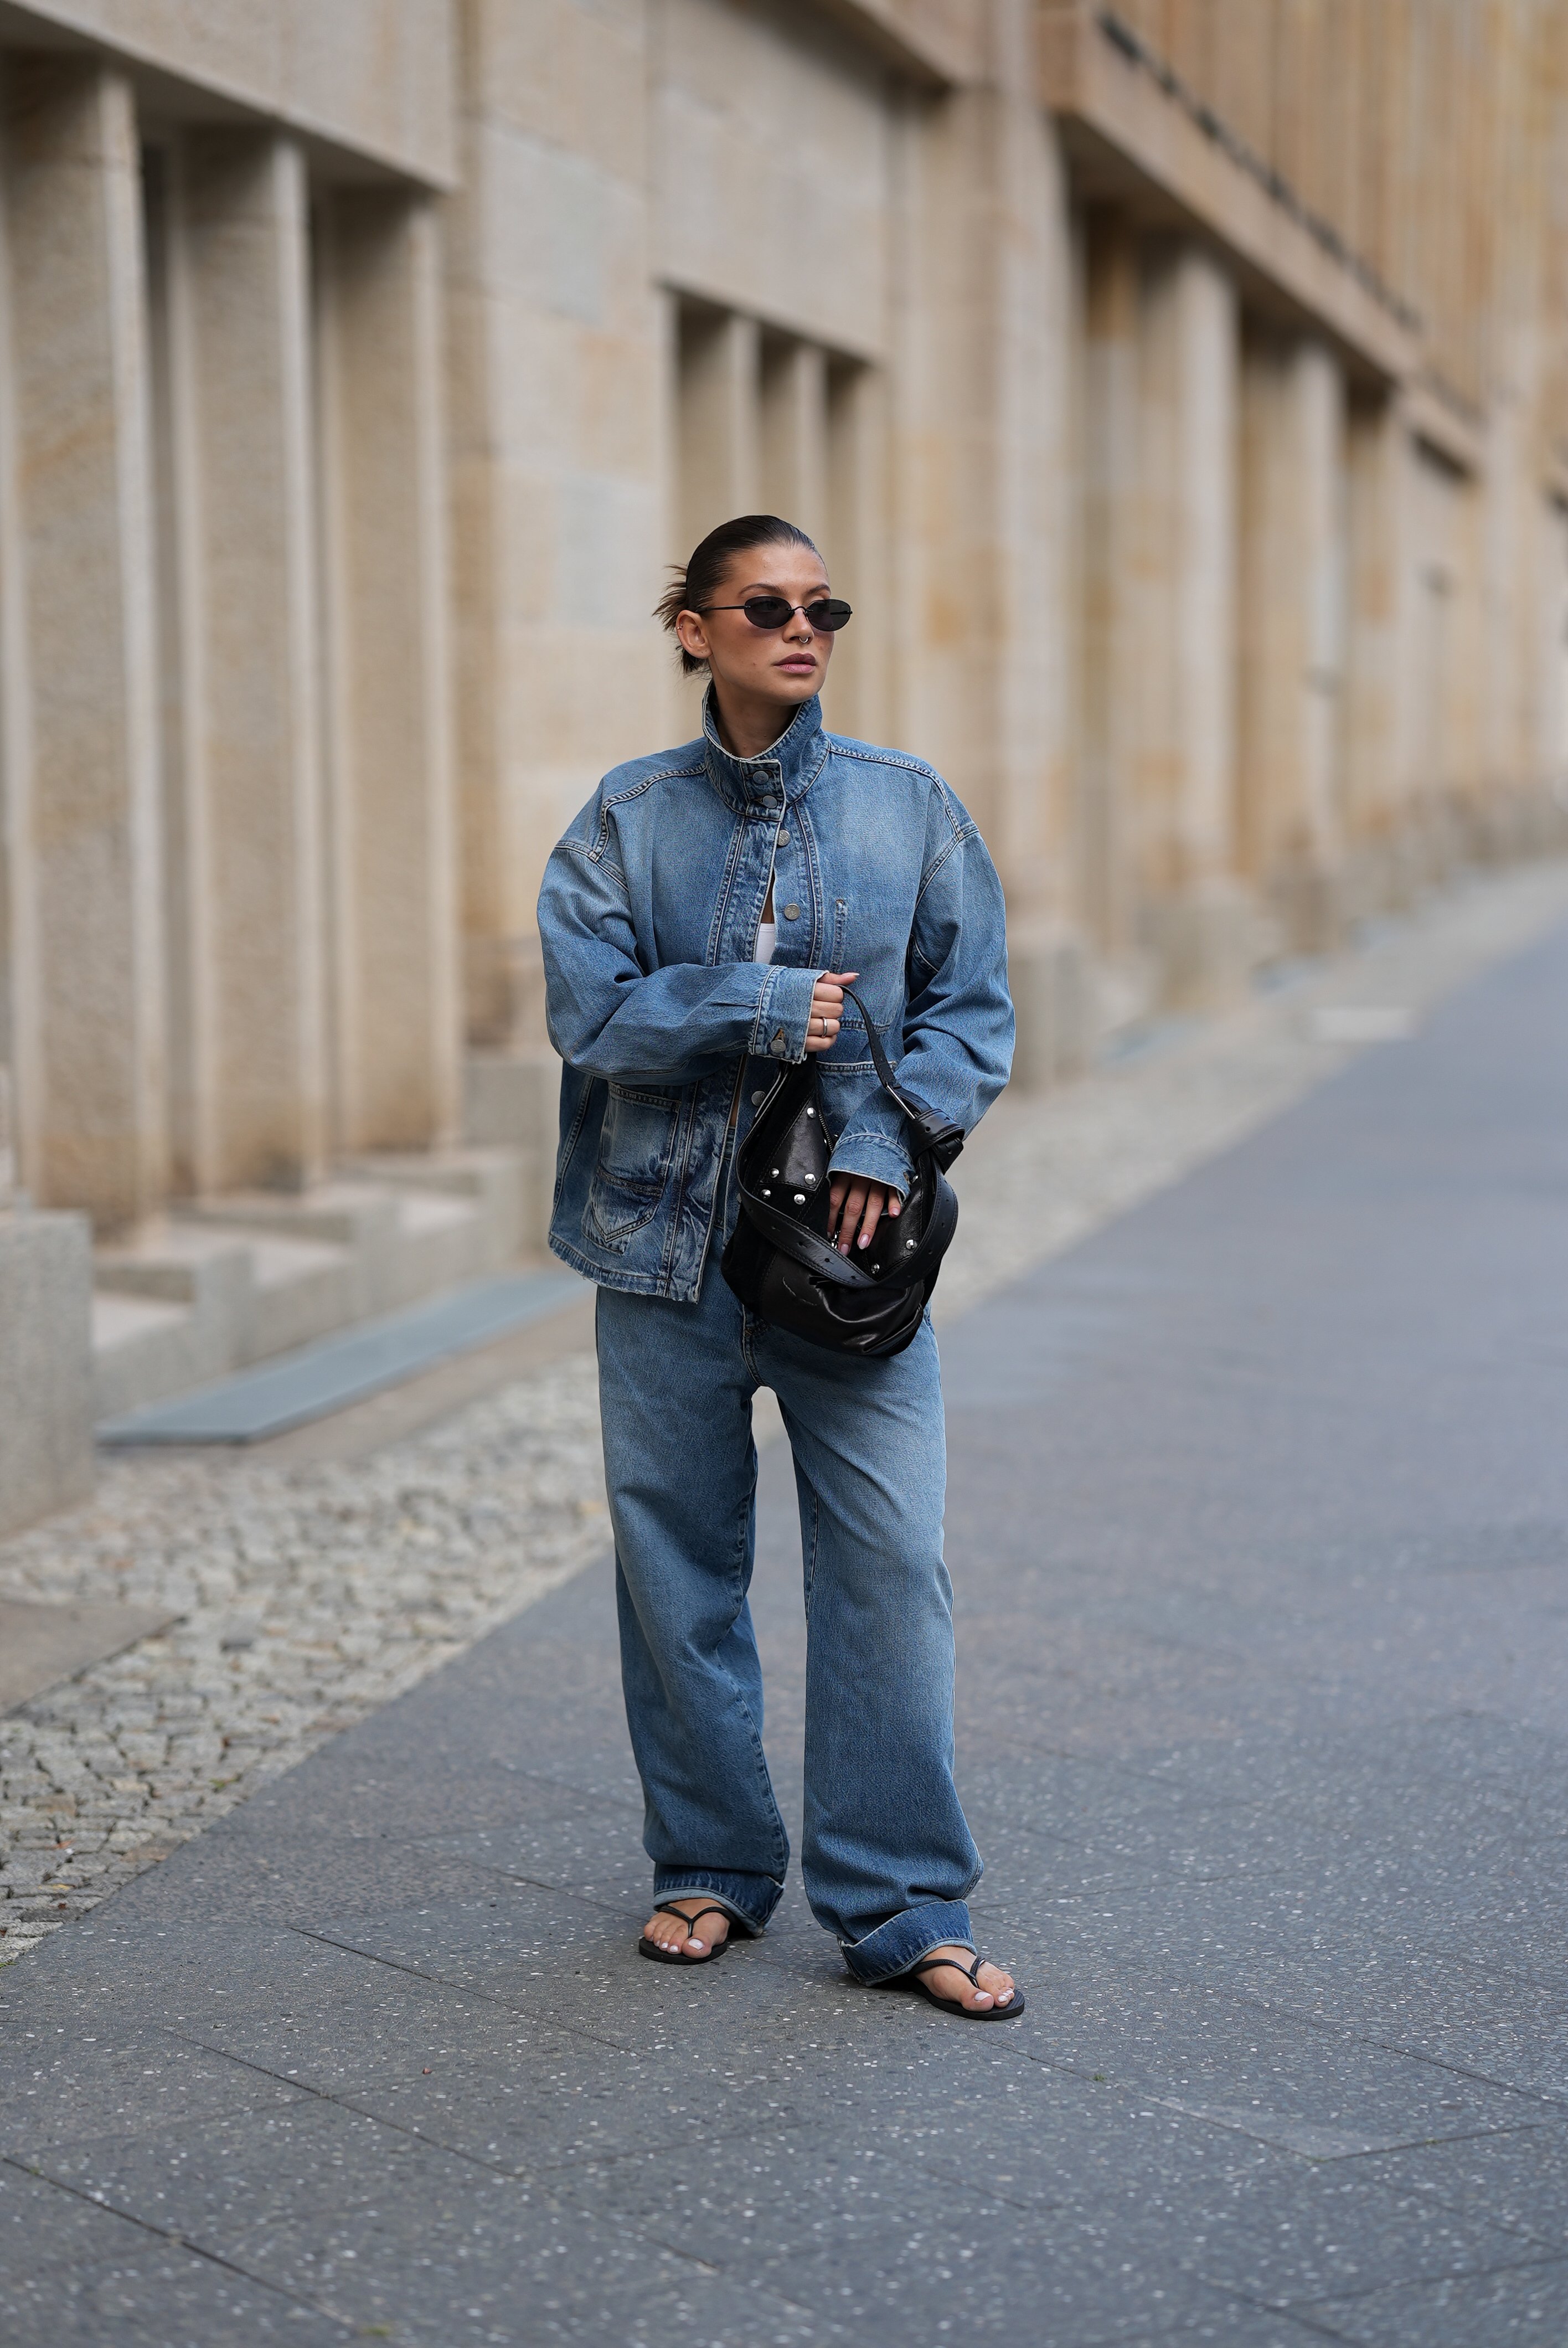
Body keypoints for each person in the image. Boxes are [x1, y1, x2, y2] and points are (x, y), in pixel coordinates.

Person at [536, 514, 1021, 2016]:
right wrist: (748, 1005)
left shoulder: (907, 805)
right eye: (766, 606)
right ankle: (708, 1863)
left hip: (848, 1266)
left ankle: (902, 1902)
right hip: (662, 1253)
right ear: (694, 630)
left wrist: (891, 1138)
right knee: (676, 1572)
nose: (802, 629)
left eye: (824, 607)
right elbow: (588, 1017)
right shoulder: (626, 818)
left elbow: (974, 1007)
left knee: (892, 1565)